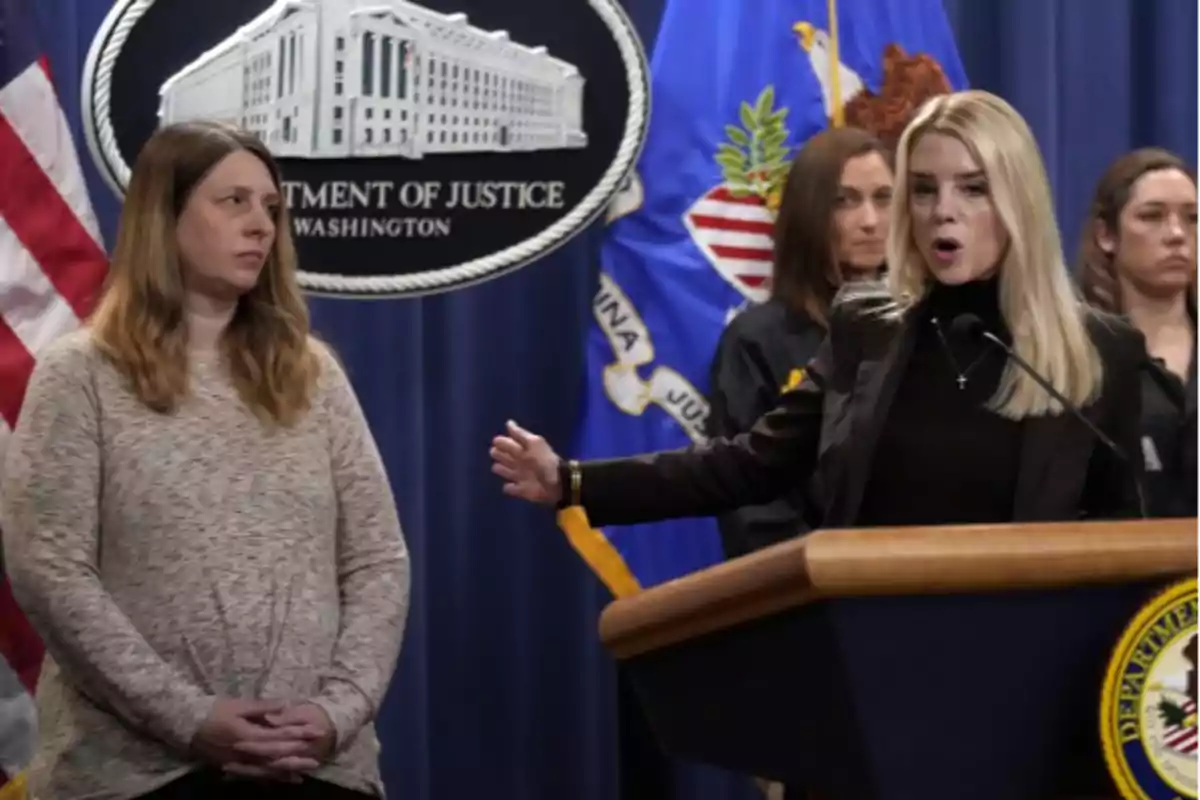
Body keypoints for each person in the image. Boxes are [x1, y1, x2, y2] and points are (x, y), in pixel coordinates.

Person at [490, 90, 1145, 541]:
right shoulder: (869, 326)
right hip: (876, 659)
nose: (942, 210)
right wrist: (574, 483)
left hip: (1027, 678)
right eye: (922, 189)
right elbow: (750, 463)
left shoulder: (1097, 351)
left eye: (972, 188)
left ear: (1018, 200)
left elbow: (1121, 535)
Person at [1, 121, 410, 799]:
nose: (260, 226)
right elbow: (49, 570)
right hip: (138, 777)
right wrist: (191, 718)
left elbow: (377, 561)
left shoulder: (312, 376)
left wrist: (335, 713)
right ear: (165, 218)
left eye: (271, 209)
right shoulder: (82, 376)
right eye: (234, 203)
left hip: (315, 766)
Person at [706, 126, 893, 559]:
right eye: (844, 201)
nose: (869, 221)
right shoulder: (756, 342)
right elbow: (749, 502)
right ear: (810, 213)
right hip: (806, 593)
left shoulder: (926, 326)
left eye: (884, 198)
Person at [1077, 148, 1197, 518]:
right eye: (1152, 216)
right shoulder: (1078, 354)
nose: (1177, 234)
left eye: (1192, 218)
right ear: (1106, 236)